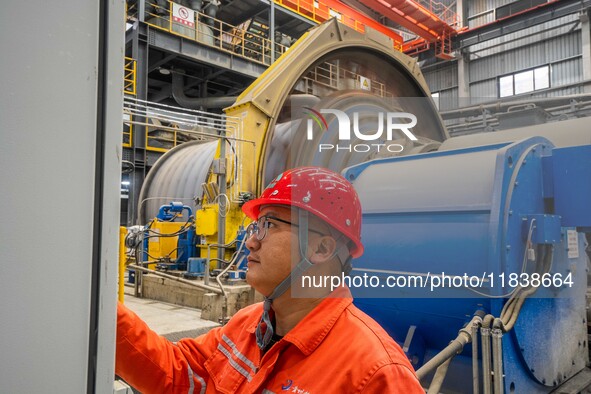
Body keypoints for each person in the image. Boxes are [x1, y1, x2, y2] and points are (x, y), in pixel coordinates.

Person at [116, 166, 423, 393]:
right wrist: (101, 311)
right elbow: (177, 373)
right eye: (255, 227)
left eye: (269, 225)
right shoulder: (246, 326)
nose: (251, 242)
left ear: (322, 248)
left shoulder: (376, 374)